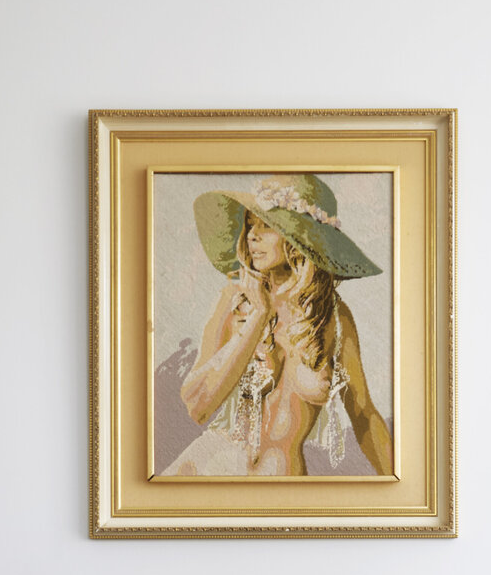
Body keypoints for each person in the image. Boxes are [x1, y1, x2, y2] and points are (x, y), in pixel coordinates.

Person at [165, 174, 392, 477]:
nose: (251, 236)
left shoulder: (334, 318)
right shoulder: (235, 301)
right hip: (207, 475)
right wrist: (259, 315)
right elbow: (198, 406)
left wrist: (402, 485)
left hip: (283, 488)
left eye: (266, 226)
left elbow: (364, 416)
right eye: (249, 225)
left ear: (299, 242)